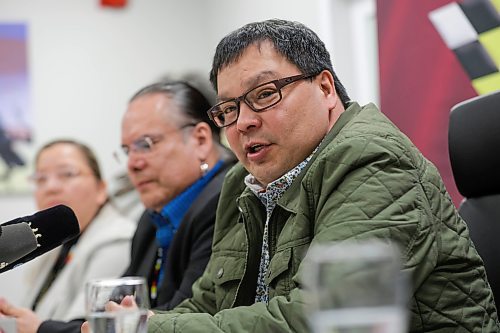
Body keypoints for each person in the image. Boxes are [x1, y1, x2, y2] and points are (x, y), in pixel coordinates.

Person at [112, 19, 498, 332]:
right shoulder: (241, 185)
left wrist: (155, 330)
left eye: (264, 94)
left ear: (326, 88)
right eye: (228, 109)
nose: (243, 122)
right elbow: (208, 301)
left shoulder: (373, 160)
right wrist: (138, 324)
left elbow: (324, 319)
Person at [0, 139, 136, 332]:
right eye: (40, 179)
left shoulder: (119, 240)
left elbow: (85, 326)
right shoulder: (51, 242)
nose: (51, 187)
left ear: (101, 189)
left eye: (67, 174)